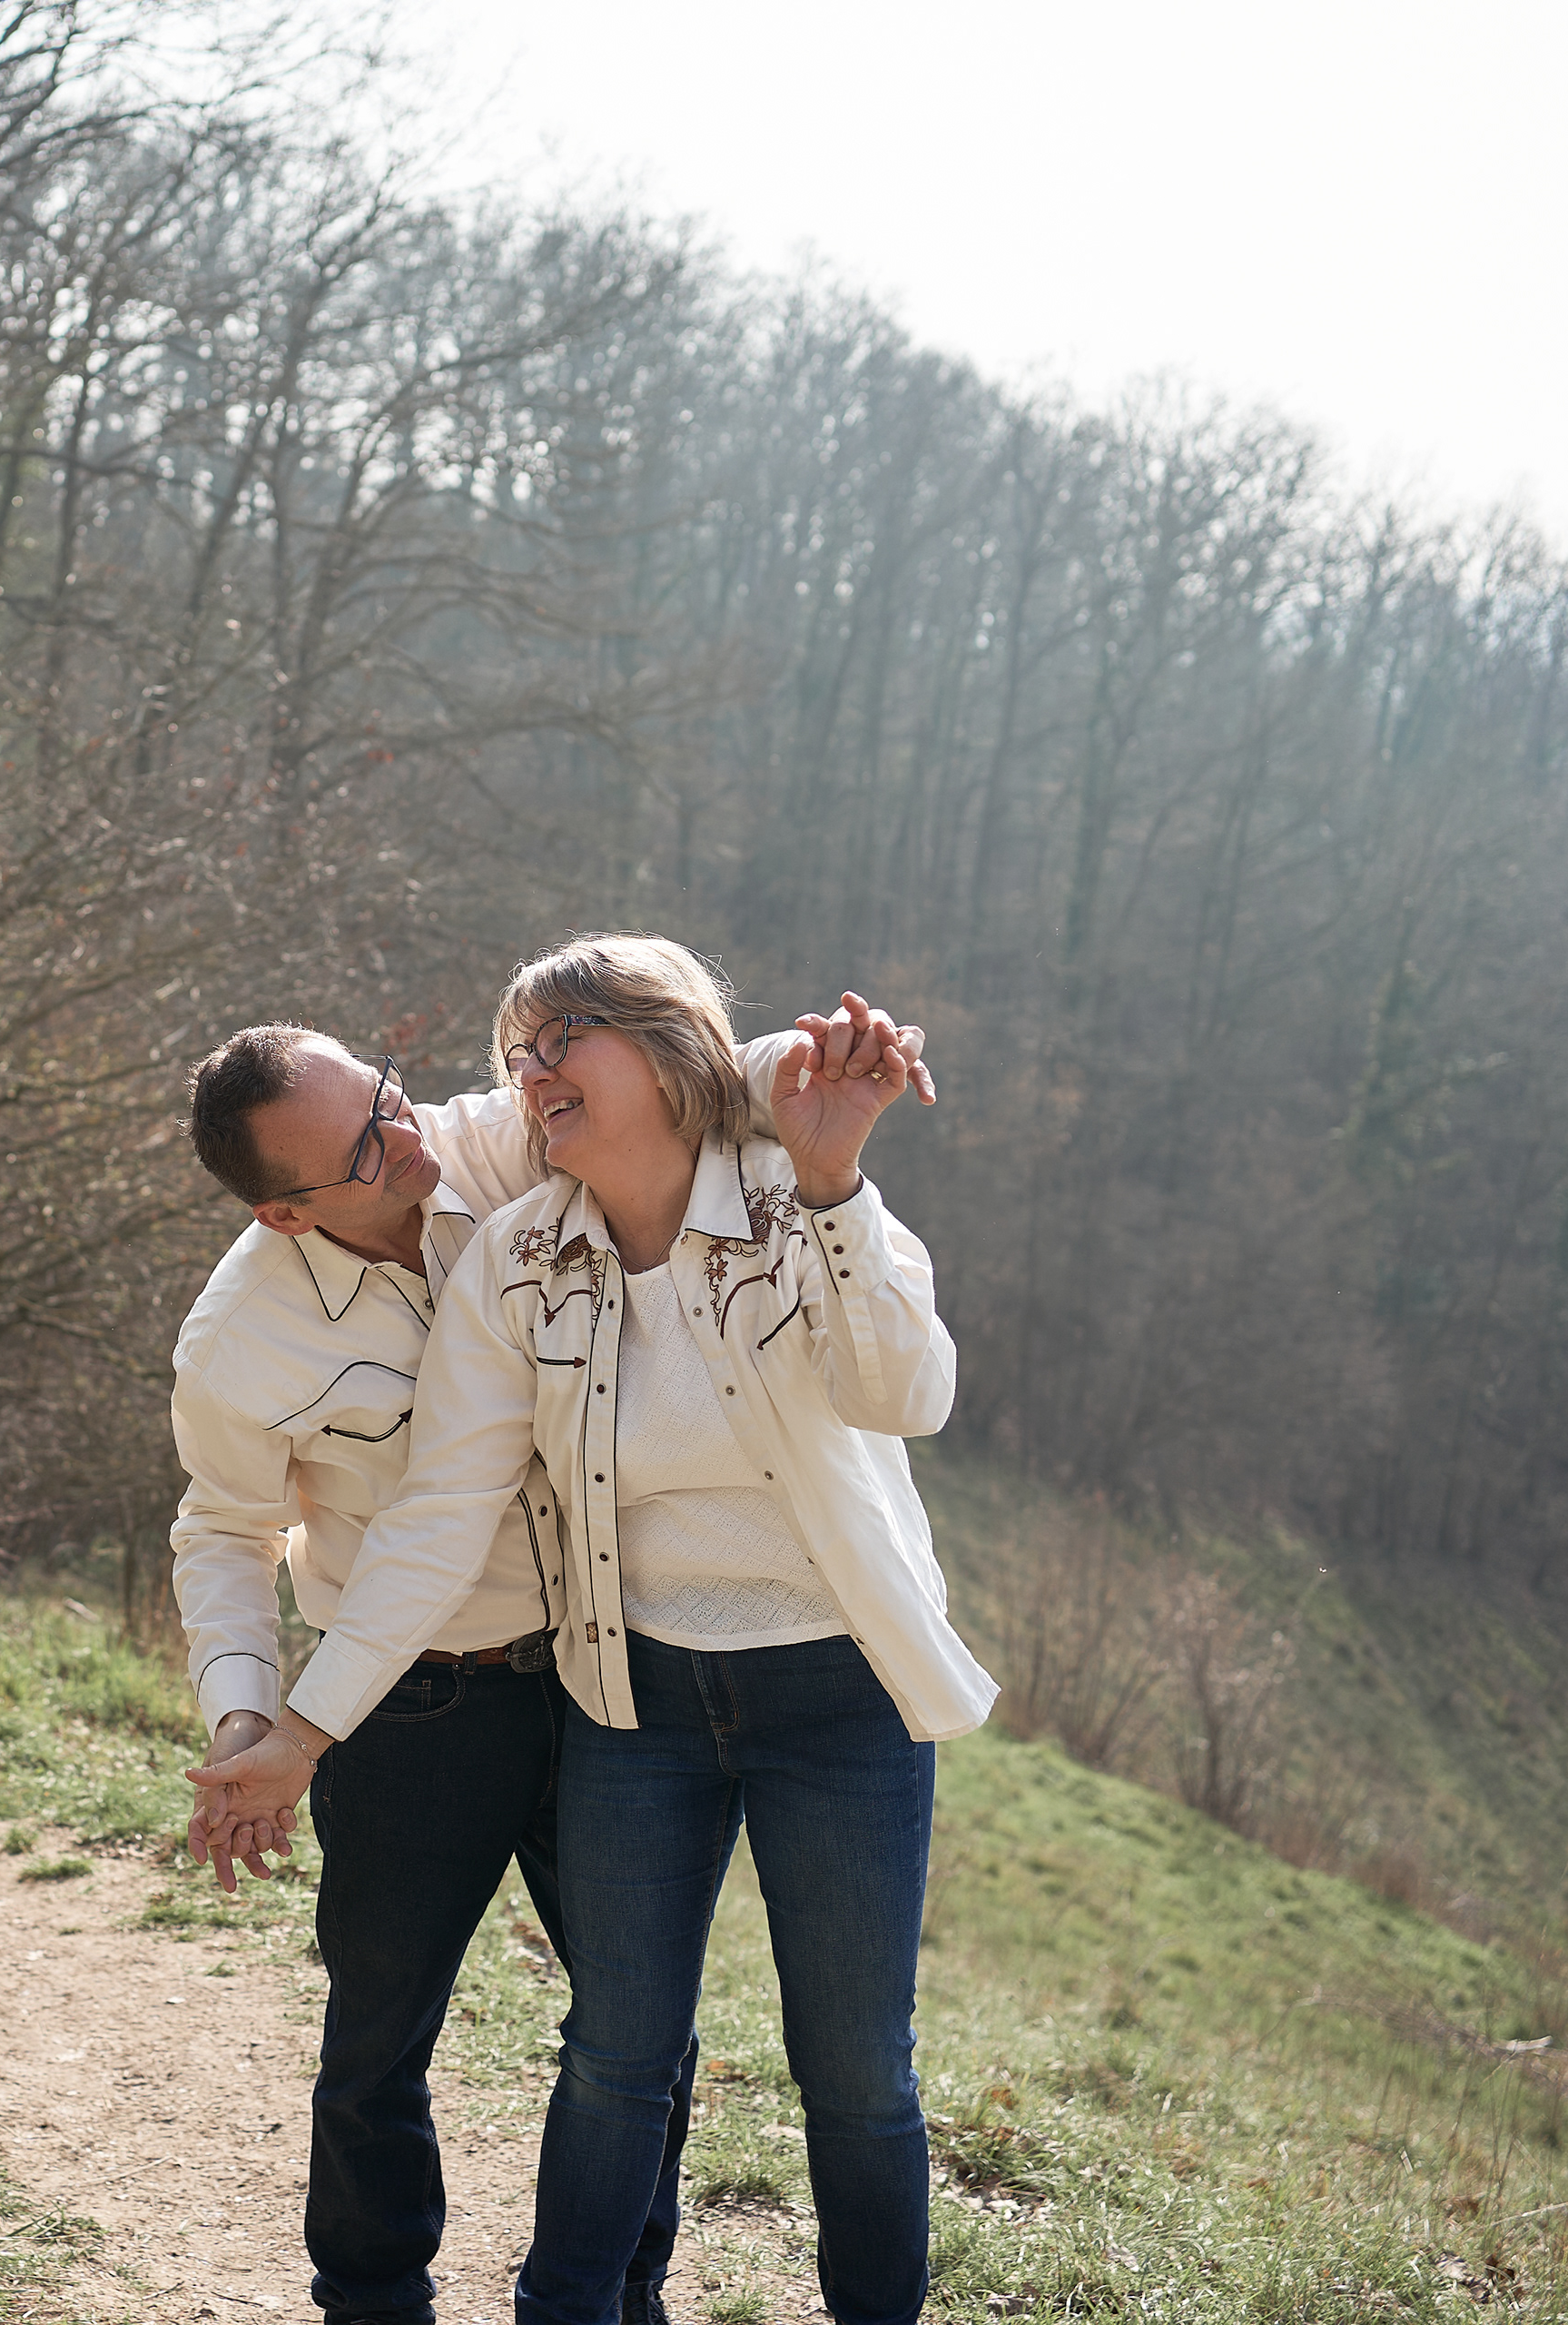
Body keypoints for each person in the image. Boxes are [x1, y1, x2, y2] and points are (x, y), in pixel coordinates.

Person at [188, 935, 991, 2325]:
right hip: (485, 1698)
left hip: (681, 1679)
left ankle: (643, 2299)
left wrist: (828, 1092)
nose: (409, 1137)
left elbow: (695, 1078)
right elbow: (313, 1525)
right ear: (288, 1211)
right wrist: (273, 1724)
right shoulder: (305, 1322)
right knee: (433, 2042)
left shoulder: (554, 1155)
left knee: (745, 2056)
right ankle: (401, 2306)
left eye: (388, 1096)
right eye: (365, 1148)